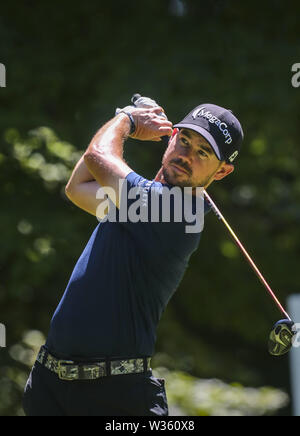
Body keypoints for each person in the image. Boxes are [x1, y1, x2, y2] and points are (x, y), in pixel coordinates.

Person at [23, 98, 244, 416]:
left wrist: (126, 120)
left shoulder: (179, 214)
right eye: (184, 141)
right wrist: (125, 121)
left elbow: (97, 156)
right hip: (50, 388)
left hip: (114, 398)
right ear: (171, 137)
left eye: (202, 152)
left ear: (221, 171)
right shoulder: (137, 206)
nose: (186, 156)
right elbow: (78, 187)